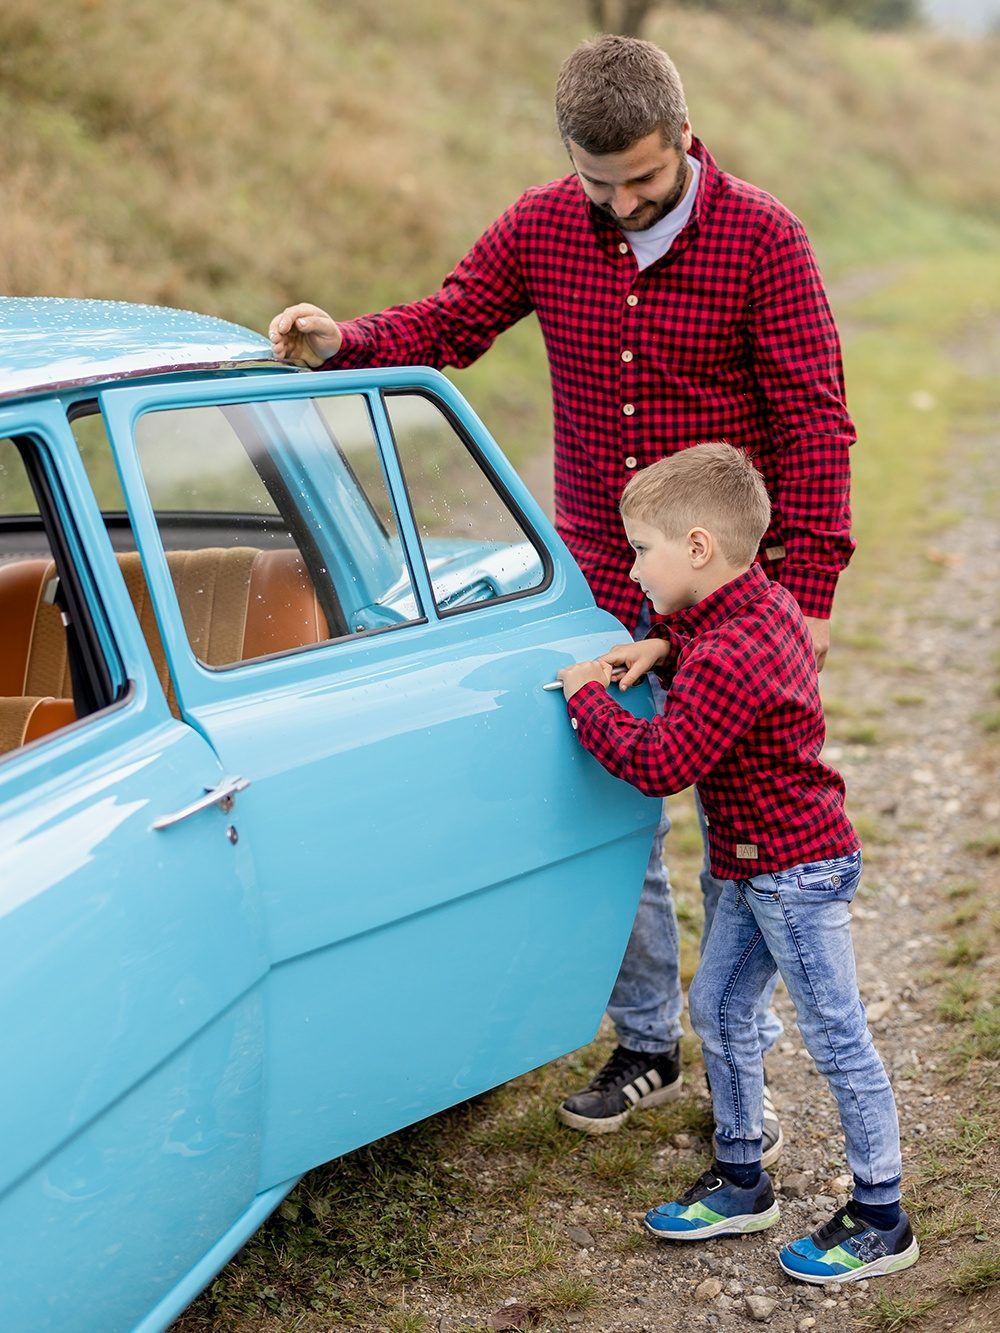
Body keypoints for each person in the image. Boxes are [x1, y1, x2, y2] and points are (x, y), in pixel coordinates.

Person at [267, 35, 857, 1149]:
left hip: (731, 595)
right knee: (608, 811)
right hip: (598, 573)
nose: (625, 202)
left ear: (683, 136)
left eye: (643, 178)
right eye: (603, 184)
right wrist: (346, 340)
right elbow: (450, 321)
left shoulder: (763, 237)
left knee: (743, 829)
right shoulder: (544, 225)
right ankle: (646, 1037)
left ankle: (742, 1057)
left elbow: (813, 421)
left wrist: (810, 589)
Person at [555, 443, 917, 1285]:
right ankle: (743, 1174)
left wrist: (585, 696)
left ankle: (881, 1214)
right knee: (715, 1005)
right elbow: (709, 643)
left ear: (695, 548)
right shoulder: (751, 611)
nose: (632, 566)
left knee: (837, 1037)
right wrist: (661, 648)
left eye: (640, 549)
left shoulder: (729, 654)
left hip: (794, 874)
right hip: (759, 868)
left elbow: (660, 762)